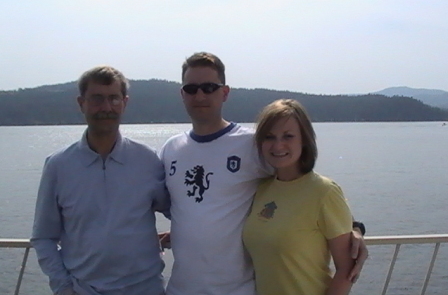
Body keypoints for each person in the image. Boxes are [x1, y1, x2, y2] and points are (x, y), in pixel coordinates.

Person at [159, 52, 367, 295]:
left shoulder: (252, 145)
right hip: (180, 289)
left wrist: (354, 227)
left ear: (225, 92)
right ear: (182, 94)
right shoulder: (170, 150)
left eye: (209, 87)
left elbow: (304, 186)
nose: (200, 95)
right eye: (191, 88)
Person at [31, 66, 170, 295]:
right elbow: (44, 237)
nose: (106, 108)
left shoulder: (148, 161)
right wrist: (63, 287)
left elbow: (180, 211)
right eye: (97, 99)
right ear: (81, 103)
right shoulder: (58, 166)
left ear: (124, 102)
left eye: (113, 99)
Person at [243, 99, 354, 295]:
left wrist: (357, 229)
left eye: (288, 136)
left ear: (304, 139)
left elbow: (346, 269)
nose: (278, 145)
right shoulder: (262, 189)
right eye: (269, 137)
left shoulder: (324, 192)